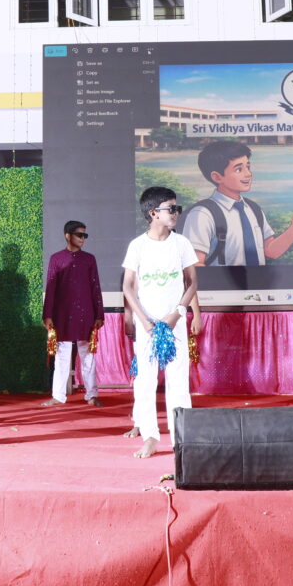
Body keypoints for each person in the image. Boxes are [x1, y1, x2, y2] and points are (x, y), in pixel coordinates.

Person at [123, 187, 199, 458]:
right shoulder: (138, 246)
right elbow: (128, 286)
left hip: (174, 324)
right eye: (171, 209)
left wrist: (177, 314)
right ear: (153, 212)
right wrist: (143, 321)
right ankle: (150, 437)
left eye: (177, 208)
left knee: (178, 380)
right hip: (148, 326)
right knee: (145, 381)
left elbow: (192, 282)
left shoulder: (181, 243)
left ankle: (181, 439)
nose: (176, 213)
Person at [181, 139, 293, 266]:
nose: (248, 174)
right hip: (224, 286)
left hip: (258, 284)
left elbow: (270, 251)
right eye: (238, 169)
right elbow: (194, 264)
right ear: (217, 177)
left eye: (248, 167)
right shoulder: (202, 214)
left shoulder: (253, 209)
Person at [41, 220, 105, 406]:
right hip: (63, 314)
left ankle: (92, 395)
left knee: (88, 355)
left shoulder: (89, 259)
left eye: (85, 235)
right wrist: (48, 315)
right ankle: (58, 396)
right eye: (79, 235)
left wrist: (99, 314)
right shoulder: (56, 259)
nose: (83, 238)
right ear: (67, 236)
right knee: (62, 355)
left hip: (86, 313)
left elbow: (95, 287)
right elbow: (51, 288)